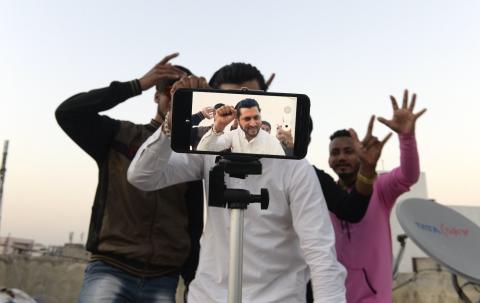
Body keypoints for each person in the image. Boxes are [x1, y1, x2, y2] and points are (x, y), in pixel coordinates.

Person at [127, 72, 347, 302]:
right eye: (233, 103)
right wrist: (169, 127)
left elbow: (321, 252)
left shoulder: (293, 166)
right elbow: (142, 177)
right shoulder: (210, 150)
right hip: (207, 296)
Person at [55, 53, 203, 303]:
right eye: (170, 90)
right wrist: (138, 84)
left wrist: (192, 281)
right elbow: (69, 113)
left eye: (183, 93)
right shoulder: (120, 136)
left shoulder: (192, 154)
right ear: (157, 96)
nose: (175, 97)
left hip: (164, 277)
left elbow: (193, 222)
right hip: (110, 268)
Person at [328, 90, 426, 302]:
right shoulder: (326, 194)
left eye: (349, 151)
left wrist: (406, 137)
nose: (341, 157)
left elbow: (409, 175)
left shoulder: (380, 187)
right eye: (335, 153)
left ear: (360, 153)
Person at [197, 98, 286, 155]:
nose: (253, 124)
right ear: (237, 119)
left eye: (256, 117)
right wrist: (219, 126)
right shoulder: (232, 136)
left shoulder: (272, 142)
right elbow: (202, 151)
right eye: (247, 119)